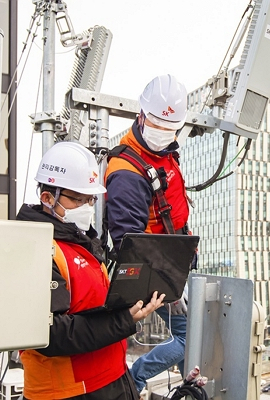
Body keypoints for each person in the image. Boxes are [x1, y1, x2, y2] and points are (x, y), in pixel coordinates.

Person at [17, 141, 165, 399]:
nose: (86, 206)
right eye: (77, 199)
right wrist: (124, 320)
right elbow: (50, 334)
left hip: (113, 377)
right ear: (47, 197)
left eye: (90, 199)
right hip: (68, 391)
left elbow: (93, 305)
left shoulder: (81, 243)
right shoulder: (35, 247)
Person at [105, 74, 192, 395]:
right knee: (189, 339)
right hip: (161, 272)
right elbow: (132, 243)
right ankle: (135, 379)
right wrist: (170, 285)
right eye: (157, 124)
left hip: (174, 266)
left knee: (191, 340)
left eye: (170, 128)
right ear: (140, 116)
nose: (163, 133)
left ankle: (190, 386)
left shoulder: (162, 152)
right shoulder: (127, 171)